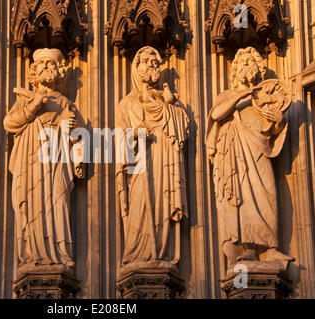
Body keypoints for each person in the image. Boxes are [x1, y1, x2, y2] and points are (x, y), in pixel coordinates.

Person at [206, 47, 294, 268]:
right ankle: (248, 251)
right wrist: (241, 95)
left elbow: (273, 133)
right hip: (235, 156)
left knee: (268, 195)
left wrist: (278, 120)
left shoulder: (265, 97)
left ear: (259, 69)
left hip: (258, 152)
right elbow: (217, 114)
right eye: (242, 63)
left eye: (251, 62)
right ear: (234, 71)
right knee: (241, 200)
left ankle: (271, 249)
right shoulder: (228, 95)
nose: (246, 66)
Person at [4, 48, 84, 276]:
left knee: (58, 200)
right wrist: (33, 106)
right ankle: (33, 253)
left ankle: (59, 253)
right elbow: (10, 123)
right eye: (43, 65)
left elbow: (80, 136)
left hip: (57, 158)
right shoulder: (25, 98)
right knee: (31, 203)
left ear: (58, 72)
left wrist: (69, 130)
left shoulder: (65, 102)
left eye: (52, 65)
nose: (48, 69)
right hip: (31, 159)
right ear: (34, 71)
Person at [115, 46, 189, 271]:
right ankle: (140, 253)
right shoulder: (128, 103)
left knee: (163, 205)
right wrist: (135, 134)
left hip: (164, 163)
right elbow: (117, 137)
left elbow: (181, 133)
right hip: (139, 165)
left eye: (155, 63)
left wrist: (170, 106)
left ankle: (162, 252)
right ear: (136, 68)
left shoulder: (168, 101)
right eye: (146, 62)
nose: (151, 67)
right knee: (140, 203)